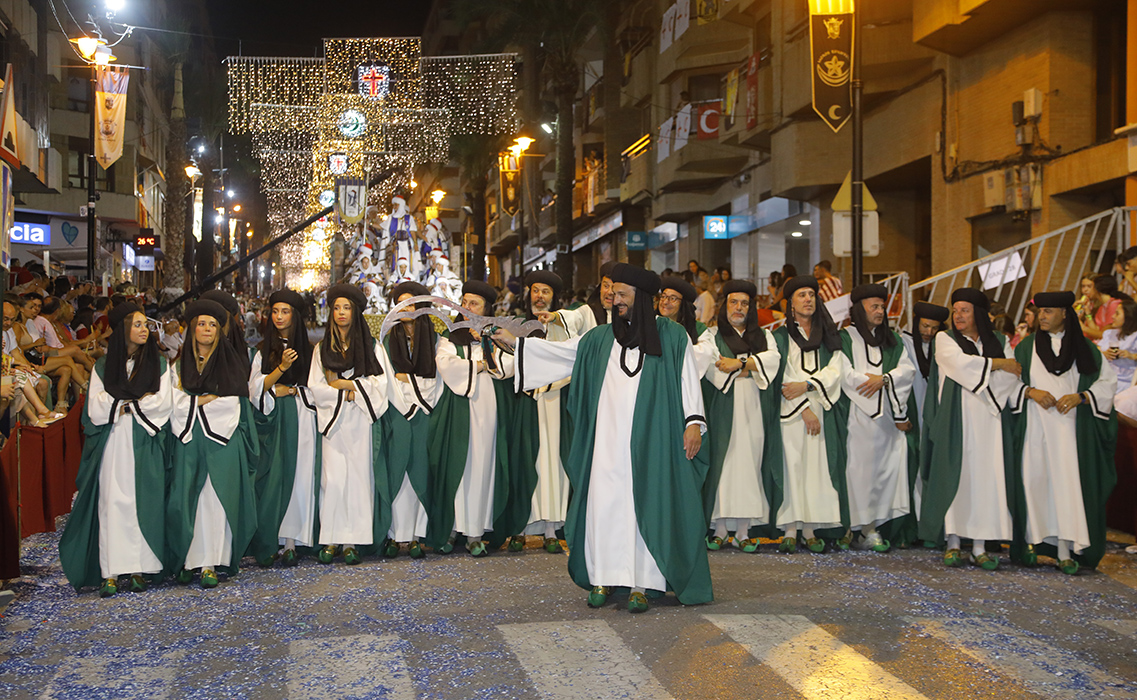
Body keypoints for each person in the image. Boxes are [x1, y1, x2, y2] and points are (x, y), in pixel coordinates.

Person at [498, 263, 710, 613]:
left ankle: (643, 583)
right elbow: (563, 355)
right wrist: (512, 343)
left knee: (646, 504)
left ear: (641, 298)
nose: (615, 300)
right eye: (613, 294)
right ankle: (603, 578)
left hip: (653, 441)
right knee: (606, 504)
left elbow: (688, 378)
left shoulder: (671, 335)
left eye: (623, 294)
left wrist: (693, 423)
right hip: (606, 443)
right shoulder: (599, 337)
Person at [58, 303, 172, 596]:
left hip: (143, 440)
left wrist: (124, 404)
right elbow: (95, 406)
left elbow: (162, 402)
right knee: (112, 503)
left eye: (145, 324)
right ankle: (110, 572)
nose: (144, 329)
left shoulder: (158, 364)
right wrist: (131, 403)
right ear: (123, 330)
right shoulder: (102, 366)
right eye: (137, 324)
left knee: (140, 503)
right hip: (112, 442)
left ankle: (138, 570)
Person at [1009, 291, 1116, 575]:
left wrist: (1082, 397)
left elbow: (1107, 382)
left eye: (1048, 312)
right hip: (1035, 426)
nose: (1041, 317)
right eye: (1040, 311)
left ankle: (1066, 550)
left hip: (1070, 431)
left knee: (1067, 488)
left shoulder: (1086, 348)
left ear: (1065, 314)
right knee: (1034, 482)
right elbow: (1006, 383)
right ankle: (1032, 544)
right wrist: (1031, 391)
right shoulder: (1026, 346)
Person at [918, 288, 1022, 570]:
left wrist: (995, 375)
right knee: (957, 478)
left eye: (964, 309)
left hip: (991, 419)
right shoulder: (945, 338)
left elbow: (1014, 375)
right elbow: (959, 364)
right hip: (956, 420)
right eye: (955, 310)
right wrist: (998, 364)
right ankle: (953, 543)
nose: (958, 315)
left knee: (985, 481)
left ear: (980, 313)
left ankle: (979, 547)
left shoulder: (999, 340)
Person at [166, 300, 260, 589]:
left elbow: (234, 400)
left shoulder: (231, 360)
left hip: (221, 441)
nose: (206, 329)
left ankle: (211, 562)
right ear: (192, 328)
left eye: (212, 325)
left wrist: (194, 404)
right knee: (188, 500)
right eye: (201, 324)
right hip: (188, 440)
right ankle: (188, 559)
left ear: (220, 330)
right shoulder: (178, 364)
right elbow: (170, 400)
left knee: (215, 501)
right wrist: (201, 401)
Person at [427, 280, 515, 556]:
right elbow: (446, 363)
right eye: (464, 302)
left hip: (487, 410)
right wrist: (480, 364)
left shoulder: (497, 335)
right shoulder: (449, 336)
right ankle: (452, 529)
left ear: (486, 308)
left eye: (473, 303)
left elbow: (510, 364)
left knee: (482, 467)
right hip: (459, 410)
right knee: (458, 465)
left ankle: (476, 532)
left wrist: (488, 347)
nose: (466, 308)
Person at [502, 271, 586, 553]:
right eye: (535, 291)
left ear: (555, 297)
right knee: (526, 461)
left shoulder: (566, 327)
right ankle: (521, 527)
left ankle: (552, 528)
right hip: (527, 402)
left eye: (545, 292)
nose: (539, 297)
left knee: (554, 464)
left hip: (557, 402)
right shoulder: (516, 325)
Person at [309, 284, 391, 565]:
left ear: (355, 312)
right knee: (332, 480)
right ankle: (331, 539)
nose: (341, 313)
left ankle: (352, 542)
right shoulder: (321, 349)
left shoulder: (372, 347)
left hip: (360, 421)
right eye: (336, 308)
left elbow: (380, 385)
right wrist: (349, 390)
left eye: (346, 308)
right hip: (334, 423)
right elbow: (316, 387)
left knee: (358, 480)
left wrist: (345, 384)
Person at [701, 280, 781, 552]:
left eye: (744, 303)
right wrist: (749, 366)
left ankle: (744, 531)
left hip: (754, 408)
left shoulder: (763, 336)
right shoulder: (711, 335)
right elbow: (714, 366)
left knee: (749, 464)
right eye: (734, 302)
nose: (739, 308)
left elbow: (773, 360)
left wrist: (741, 363)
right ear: (725, 305)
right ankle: (721, 529)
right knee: (724, 465)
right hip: (723, 407)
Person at [838, 284, 918, 552]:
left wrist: (883, 380)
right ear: (860, 310)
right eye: (874, 306)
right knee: (855, 474)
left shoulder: (893, 340)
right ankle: (850, 528)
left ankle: (871, 528)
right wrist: (873, 384)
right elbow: (845, 374)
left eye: (882, 306)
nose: (880, 311)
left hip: (886, 424)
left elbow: (906, 371)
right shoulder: (845, 337)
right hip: (855, 420)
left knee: (882, 475)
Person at [772, 276, 846, 553]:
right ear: (790, 303)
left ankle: (811, 528)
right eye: (801, 295)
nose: (807, 300)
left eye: (811, 295)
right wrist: (804, 409)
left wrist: (809, 385)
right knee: (792, 467)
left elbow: (836, 368)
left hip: (821, 406)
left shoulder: (828, 335)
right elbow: (782, 374)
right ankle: (790, 528)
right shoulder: (779, 336)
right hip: (792, 412)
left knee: (815, 469)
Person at [247, 289, 318, 567]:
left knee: (299, 475)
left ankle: (292, 542)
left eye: (285, 311)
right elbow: (255, 387)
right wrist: (280, 370)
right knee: (273, 477)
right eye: (275, 311)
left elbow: (318, 387)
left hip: (302, 416)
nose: (278, 317)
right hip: (272, 420)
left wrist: (294, 391)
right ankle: (272, 539)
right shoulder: (262, 350)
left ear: (295, 316)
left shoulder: (311, 350)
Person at [381, 281, 443, 558]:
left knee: (420, 471)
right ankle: (395, 535)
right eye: (401, 303)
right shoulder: (386, 341)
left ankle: (418, 534)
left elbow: (437, 379)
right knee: (397, 471)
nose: (406, 309)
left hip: (424, 413)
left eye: (411, 303)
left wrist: (410, 382)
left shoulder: (435, 339)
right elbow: (386, 378)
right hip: (397, 413)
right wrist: (406, 388)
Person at [656, 275, 715, 375]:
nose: (665, 302)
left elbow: (703, 355)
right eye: (664, 296)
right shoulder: (652, 324)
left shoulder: (699, 329)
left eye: (673, 298)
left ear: (683, 304)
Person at [1098, 298, 1137, 392]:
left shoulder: (1134, 336)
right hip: (1105, 377)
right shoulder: (1109, 333)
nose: (1113, 316)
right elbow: (1097, 348)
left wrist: (1131, 355)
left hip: (1126, 381)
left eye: (1117, 314)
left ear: (1128, 316)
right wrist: (1103, 353)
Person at [1079, 274, 1126, 342]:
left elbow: (1104, 335)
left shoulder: (1114, 305)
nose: (1086, 290)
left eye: (1090, 286)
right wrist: (1087, 313)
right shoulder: (1103, 306)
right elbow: (1096, 330)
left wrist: (1082, 327)